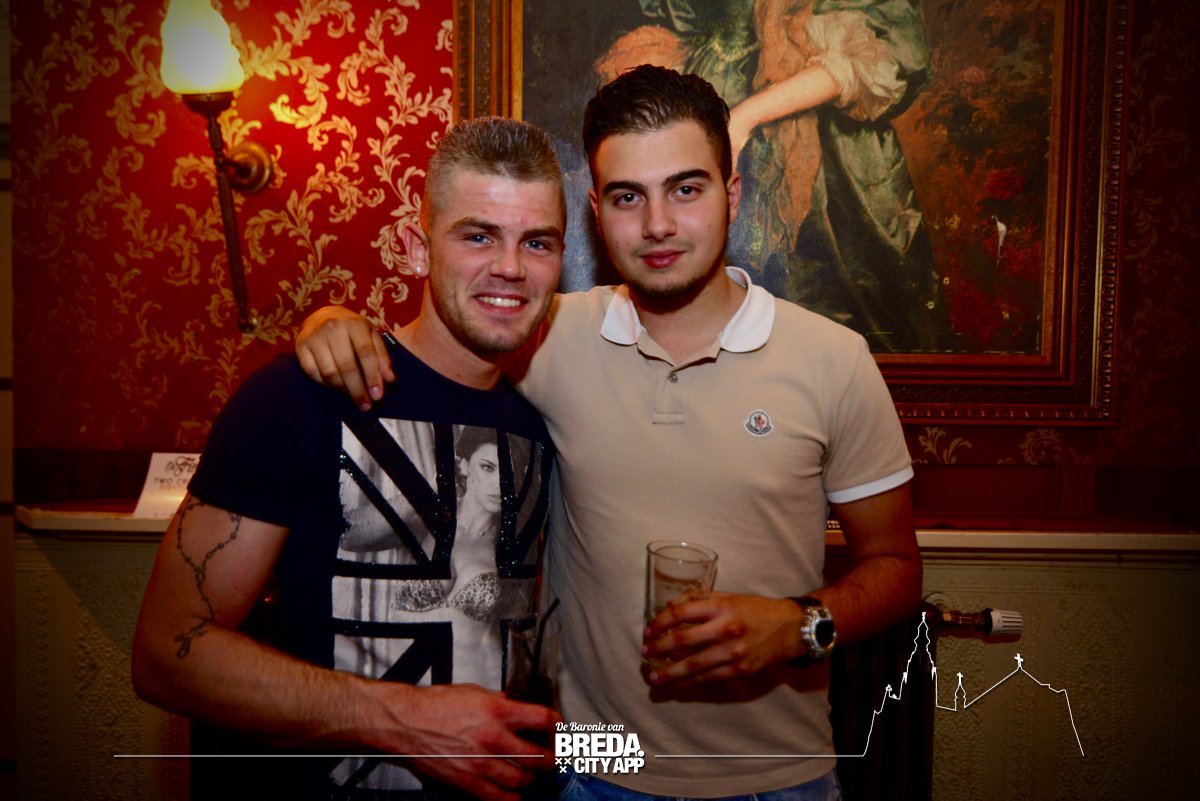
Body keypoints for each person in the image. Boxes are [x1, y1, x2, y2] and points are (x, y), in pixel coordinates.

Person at [298, 66, 922, 801]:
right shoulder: (547, 335)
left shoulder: (834, 360)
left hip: (779, 776)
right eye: (629, 196)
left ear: (732, 194)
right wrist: (330, 323)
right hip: (593, 769)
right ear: (597, 211)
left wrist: (800, 624)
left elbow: (895, 567)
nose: (657, 225)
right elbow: (437, 344)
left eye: (685, 189)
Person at [132, 116, 567, 801]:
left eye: (536, 242)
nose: (510, 267)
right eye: (478, 235)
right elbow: (164, 655)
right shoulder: (300, 397)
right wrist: (400, 717)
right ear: (417, 247)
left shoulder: (543, 424)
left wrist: (653, 766)